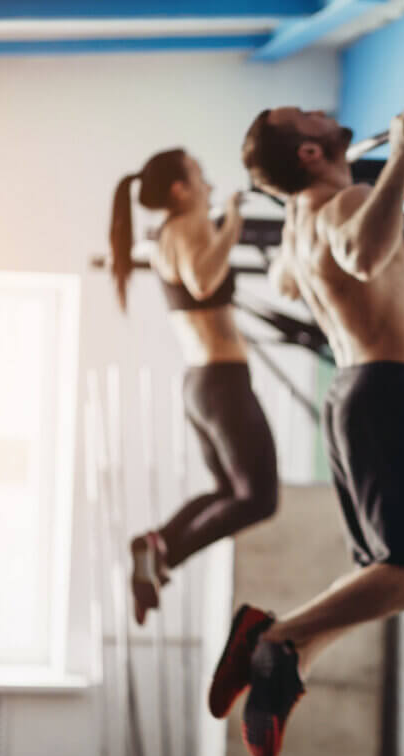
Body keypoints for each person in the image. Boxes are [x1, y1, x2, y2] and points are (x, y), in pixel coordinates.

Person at [209, 106, 404, 756]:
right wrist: (401, 153)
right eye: (309, 119)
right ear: (311, 155)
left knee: (397, 573)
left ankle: (291, 655)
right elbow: (363, 251)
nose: (325, 115)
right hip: (385, 392)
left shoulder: (301, 221)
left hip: (355, 393)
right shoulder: (345, 200)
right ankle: (278, 637)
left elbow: (290, 280)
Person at [108, 150, 279, 630]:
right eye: (199, 173)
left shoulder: (170, 233)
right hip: (220, 383)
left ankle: (156, 545)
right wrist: (234, 219)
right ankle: (163, 551)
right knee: (258, 498)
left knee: (229, 490)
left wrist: (223, 220)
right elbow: (205, 282)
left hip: (203, 385)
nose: (207, 180)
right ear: (180, 190)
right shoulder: (187, 226)